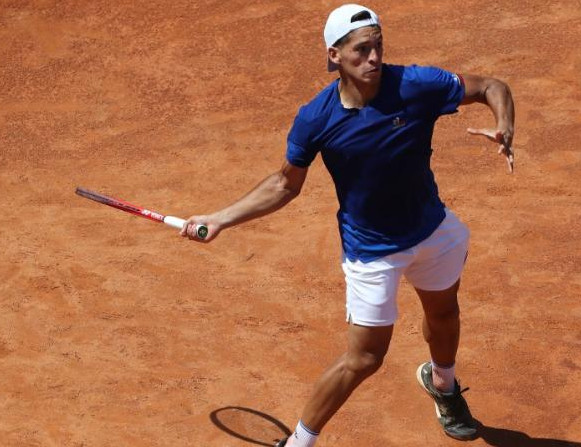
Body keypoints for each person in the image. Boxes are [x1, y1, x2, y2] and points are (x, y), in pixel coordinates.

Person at [181, 4, 514, 446]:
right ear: (335, 55)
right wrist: (219, 219)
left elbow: (492, 85)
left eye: (378, 46)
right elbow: (284, 184)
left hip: (433, 230)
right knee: (364, 358)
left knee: (444, 312)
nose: (373, 58)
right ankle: (299, 442)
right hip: (372, 250)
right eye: (361, 50)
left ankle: (444, 384)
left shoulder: (414, 85)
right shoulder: (316, 118)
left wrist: (504, 124)